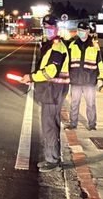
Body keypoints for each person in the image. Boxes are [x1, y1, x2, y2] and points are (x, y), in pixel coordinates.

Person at [21, 15, 70, 172]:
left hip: (53, 91)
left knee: (50, 126)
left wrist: (32, 77)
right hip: (50, 91)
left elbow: (51, 71)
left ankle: (53, 161)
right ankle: (52, 157)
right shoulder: (49, 45)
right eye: (45, 27)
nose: (47, 30)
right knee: (50, 124)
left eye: (50, 27)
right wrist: (34, 78)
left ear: (56, 28)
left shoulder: (57, 47)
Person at [65, 21, 103, 131]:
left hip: (89, 81)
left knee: (91, 104)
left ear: (88, 31)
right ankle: (73, 124)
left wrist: (101, 77)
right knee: (74, 103)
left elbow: (99, 63)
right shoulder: (72, 45)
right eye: (80, 30)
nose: (81, 32)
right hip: (75, 80)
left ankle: (92, 125)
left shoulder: (94, 46)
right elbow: (67, 63)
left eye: (83, 30)